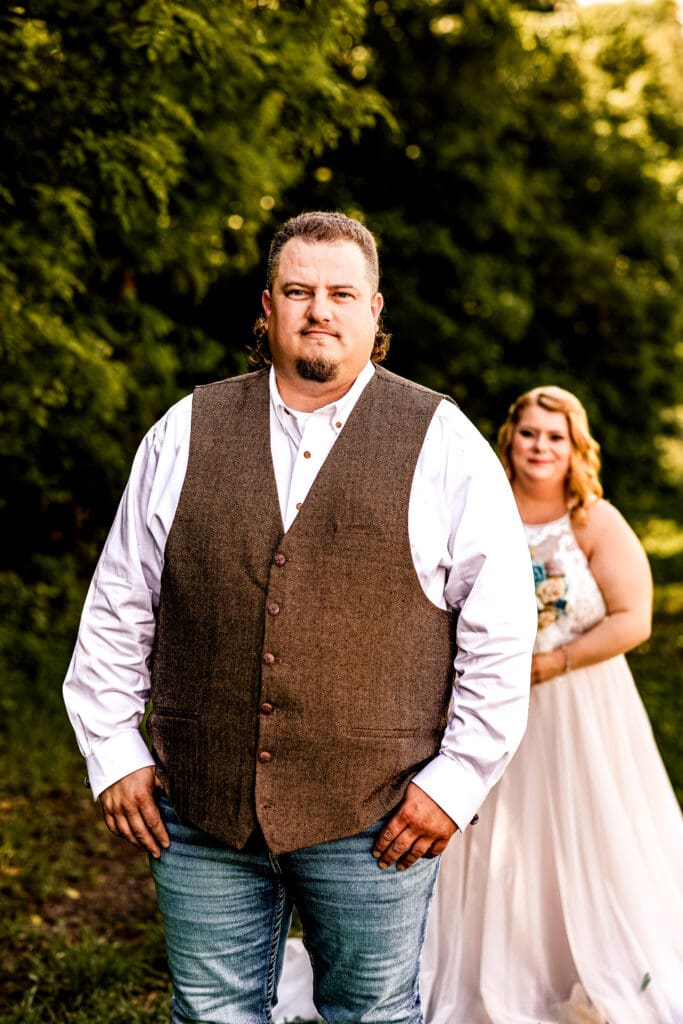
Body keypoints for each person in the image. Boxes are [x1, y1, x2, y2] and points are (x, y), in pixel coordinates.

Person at [63, 211, 537, 1024]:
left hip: (377, 811)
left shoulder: (443, 441)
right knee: (210, 1011)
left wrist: (455, 783)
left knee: (372, 1014)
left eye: (340, 293)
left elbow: (500, 632)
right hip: (198, 801)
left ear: (375, 311)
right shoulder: (184, 429)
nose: (319, 309)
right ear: (268, 305)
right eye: (299, 291)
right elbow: (121, 603)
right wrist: (111, 751)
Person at [419, 386, 683, 1023]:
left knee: (587, 827)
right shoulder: (480, 508)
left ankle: (588, 958)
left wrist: (550, 663)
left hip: (578, 705)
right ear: (509, 437)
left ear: (575, 447)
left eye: (555, 436)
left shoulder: (593, 519)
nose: (540, 446)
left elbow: (634, 619)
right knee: (495, 834)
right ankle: (489, 961)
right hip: (485, 701)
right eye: (530, 432)